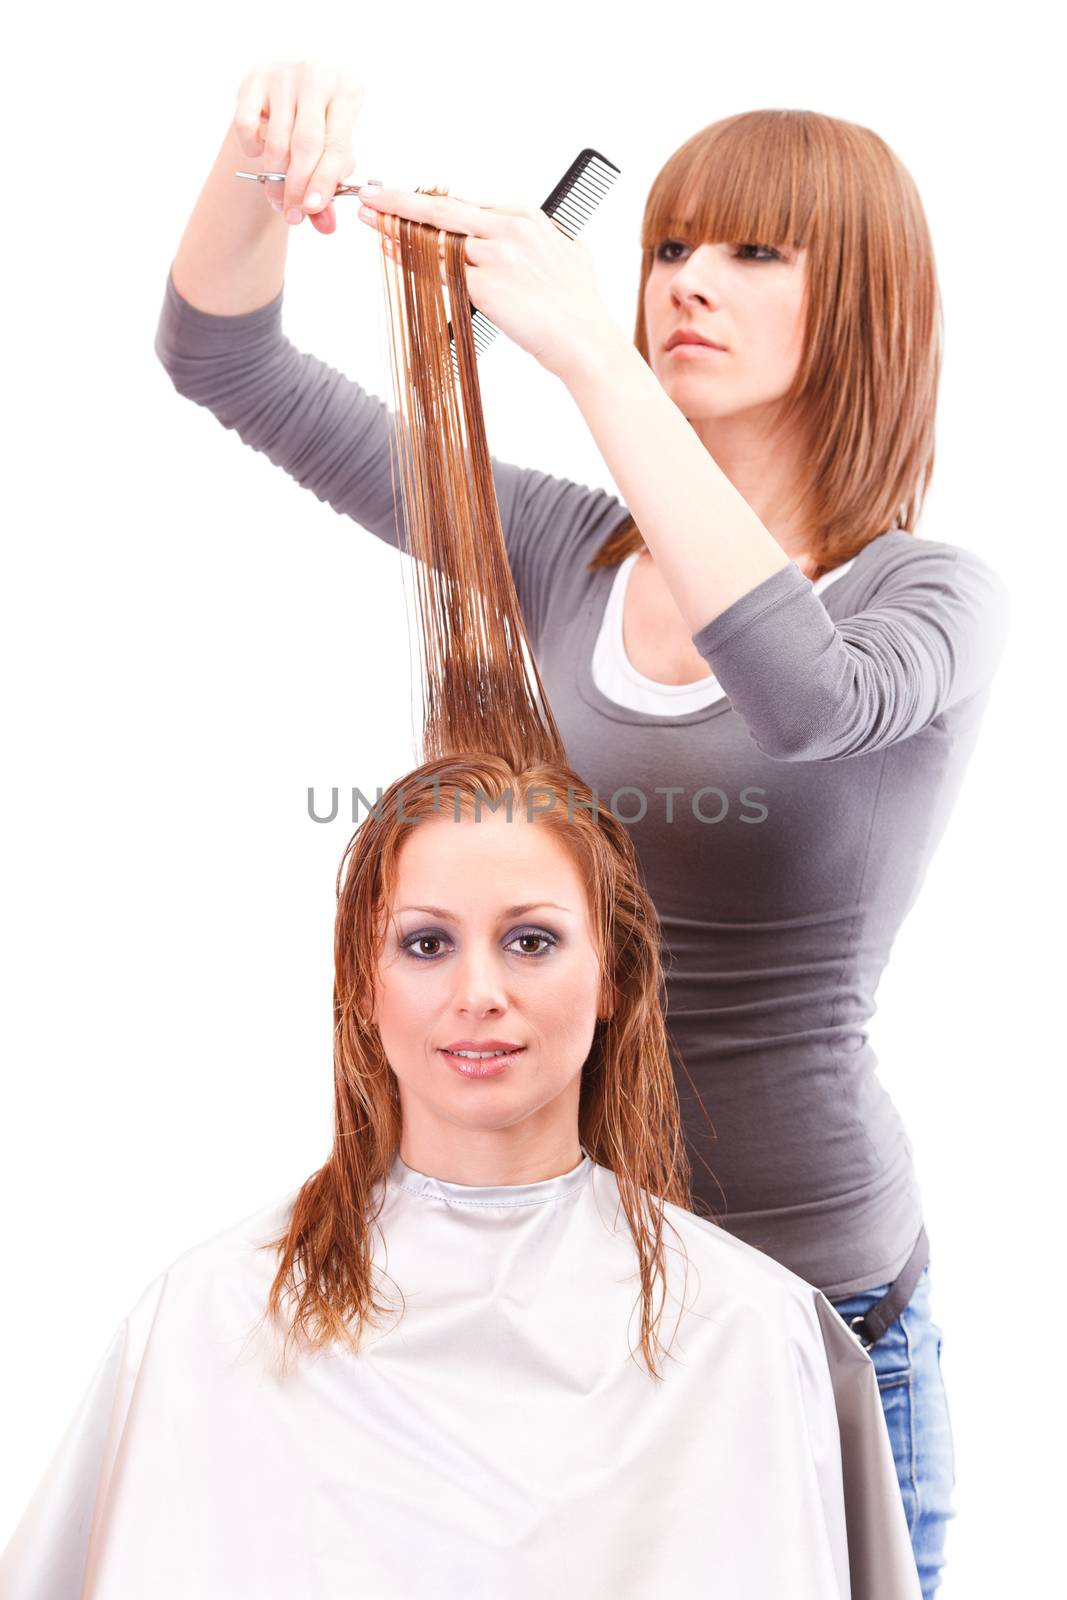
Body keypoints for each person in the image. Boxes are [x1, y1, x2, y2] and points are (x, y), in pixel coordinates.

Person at [152, 64, 1008, 1596]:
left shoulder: (925, 601)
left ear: (865, 304)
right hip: (579, 1304)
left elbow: (803, 697)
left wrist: (593, 367)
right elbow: (228, 361)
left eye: (754, 253)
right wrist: (256, 171)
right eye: (670, 246)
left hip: (820, 1313)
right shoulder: (558, 551)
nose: (687, 282)